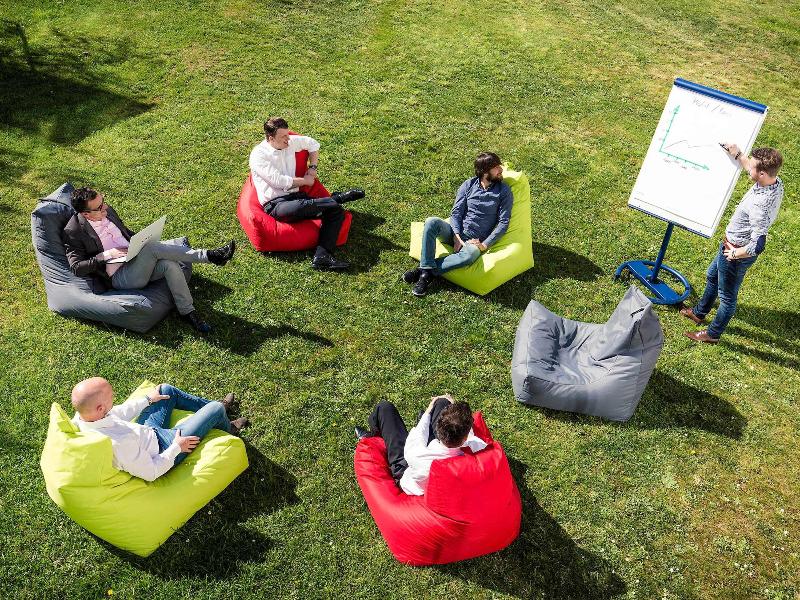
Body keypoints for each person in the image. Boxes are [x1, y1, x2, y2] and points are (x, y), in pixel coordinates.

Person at [62, 187, 236, 333]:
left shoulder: (108, 212)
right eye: (100, 207)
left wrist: (141, 240)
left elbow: (125, 233)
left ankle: (187, 312)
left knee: (169, 265)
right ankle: (210, 256)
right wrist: (107, 255)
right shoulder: (73, 231)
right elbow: (77, 267)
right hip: (120, 276)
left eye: (103, 201)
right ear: (86, 214)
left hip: (137, 260)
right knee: (152, 249)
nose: (105, 207)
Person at [682, 146, 784, 344]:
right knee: (712, 276)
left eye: (752, 167)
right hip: (729, 247)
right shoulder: (775, 182)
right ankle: (699, 312)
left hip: (735, 253)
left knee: (727, 298)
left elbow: (758, 245)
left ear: (762, 174)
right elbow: (752, 168)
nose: (748, 168)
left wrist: (735, 254)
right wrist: (738, 155)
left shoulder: (760, 206)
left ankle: (712, 334)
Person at [70, 377, 250, 482]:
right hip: (165, 447)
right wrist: (176, 447)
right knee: (215, 409)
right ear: (100, 408)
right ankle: (227, 425)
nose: (114, 396)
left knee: (165, 390)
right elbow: (151, 473)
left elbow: (120, 412)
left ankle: (217, 412)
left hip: (145, 431)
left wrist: (148, 399)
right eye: (111, 396)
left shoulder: (83, 417)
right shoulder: (118, 444)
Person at [249, 117, 365, 271]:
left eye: (288, 134)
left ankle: (322, 258)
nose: (288, 139)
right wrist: (305, 181)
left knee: (335, 211)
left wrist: (313, 168)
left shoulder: (289, 142)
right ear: (271, 138)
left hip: (297, 198)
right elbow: (278, 181)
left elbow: (313, 143)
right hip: (277, 205)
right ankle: (338, 198)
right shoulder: (259, 155)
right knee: (301, 206)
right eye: (283, 136)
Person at [403, 152, 513, 296]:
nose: (501, 169)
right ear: (485, 171)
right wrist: (456, 235)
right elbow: (456, 213)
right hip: (455, 232)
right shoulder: (468, 184)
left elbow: (503, 222)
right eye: (496, 167)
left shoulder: (504, 191)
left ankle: (424, 273)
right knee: (431, 222)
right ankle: (427, 270)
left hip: (474, 242)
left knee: (470, 255)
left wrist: (484, 245)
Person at [355, 394, 487, 496]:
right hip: (435, 455)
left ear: (438, 427)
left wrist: (428, 411)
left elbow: (417, 435)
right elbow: (469, 434)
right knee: (442, 402)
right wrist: (449, 404)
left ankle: (372, 437)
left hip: (407, 470)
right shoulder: (475, 447)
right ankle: (434, 412)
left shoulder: (417, 454)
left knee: (384, 408)